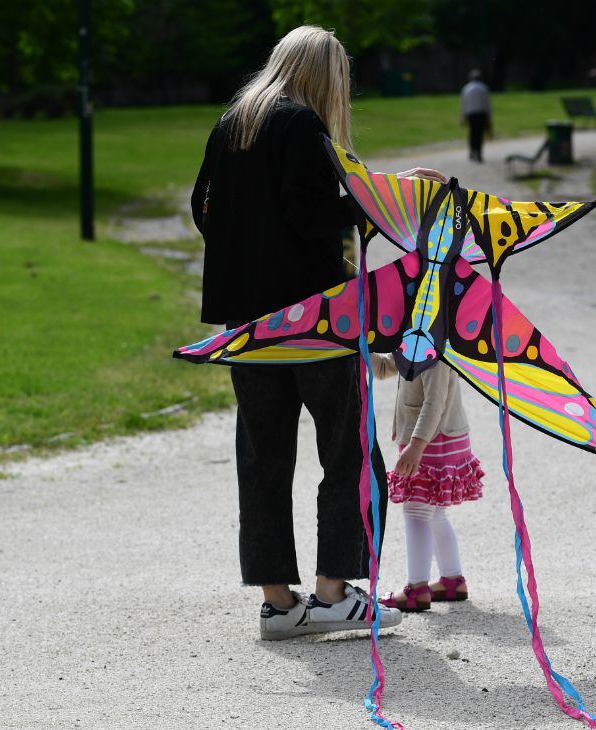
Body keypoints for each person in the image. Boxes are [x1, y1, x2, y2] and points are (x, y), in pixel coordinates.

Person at [191, 26, 447, 641]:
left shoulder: (234, 123)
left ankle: (279, 603)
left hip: (248, 326)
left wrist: (246, 253)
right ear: (325, 77)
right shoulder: (301, 125)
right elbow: (311, 214)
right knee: (348, 450)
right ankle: (335, 590)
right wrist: (389, 202)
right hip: (315, 322)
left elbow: (202, 205)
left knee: (263, 459)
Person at [371, 353, 484, 612]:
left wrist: (416, 445)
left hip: (431, 440)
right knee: (434, 514)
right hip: (433, 440)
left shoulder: (435, 349)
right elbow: (386, 367)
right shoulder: (413, 342)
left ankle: (417, 588)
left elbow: (435, 402)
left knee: (416, 511)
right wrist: (362, 352)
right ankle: (452, 580)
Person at [459, 69, 492, 163]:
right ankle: (479, 152)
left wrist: (462, 116)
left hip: (471, 114)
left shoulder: (466, 88)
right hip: (481, 114)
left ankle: (472, 151)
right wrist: (489, 117)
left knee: (472, 133)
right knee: (479, 134)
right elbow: (487, 104)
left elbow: (463, 103)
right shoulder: (483, 88)